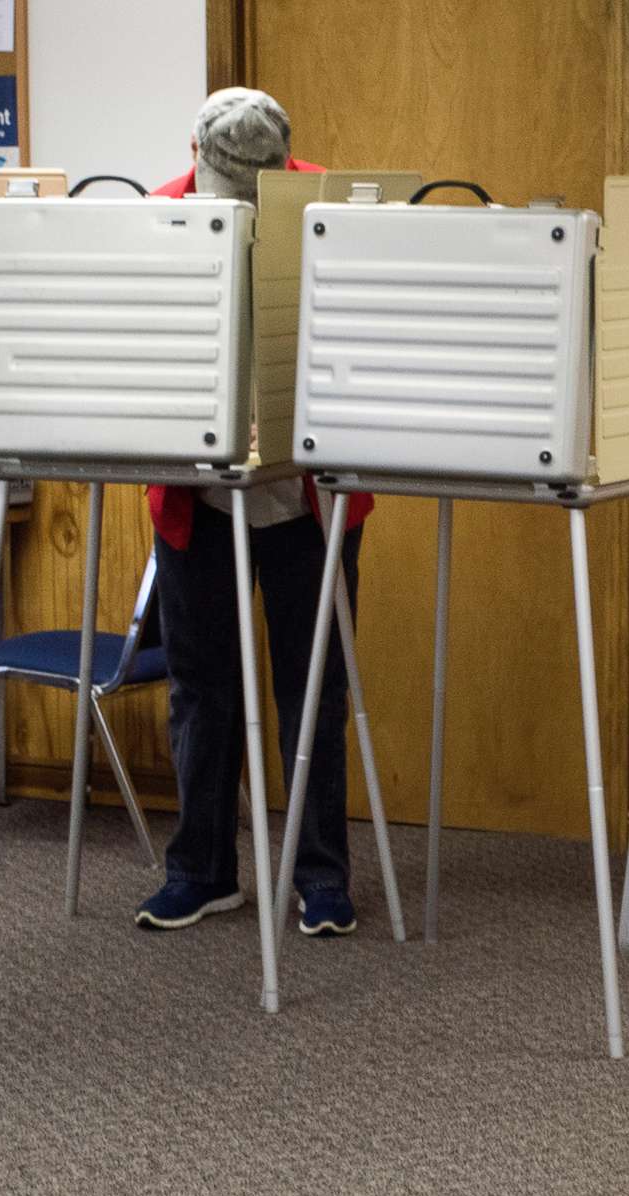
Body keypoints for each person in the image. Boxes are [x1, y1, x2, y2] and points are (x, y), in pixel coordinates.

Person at [132, 88, 374, 939]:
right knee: (201, 688)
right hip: (197, 502)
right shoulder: (155, 218)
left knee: (312, 690)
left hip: (303, 501)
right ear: (195, 151)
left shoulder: (327, 211)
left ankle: (321, 877)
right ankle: (200, 870)